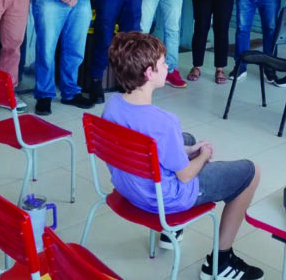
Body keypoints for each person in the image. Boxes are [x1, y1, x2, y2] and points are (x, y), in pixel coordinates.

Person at [103, 32, 263, 280]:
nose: (168, 66)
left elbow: (150, 146)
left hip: (130, 188)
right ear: (149, 72)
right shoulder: (164, 122)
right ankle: (221, 262)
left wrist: (187, 150)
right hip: (165, 199)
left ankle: (171, 233)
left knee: (186, 139)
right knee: (251, 172)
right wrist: (203, 155)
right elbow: (186, 175)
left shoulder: (112, 105)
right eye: (163, 63)